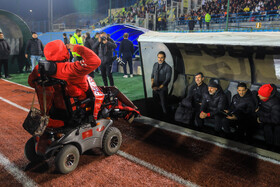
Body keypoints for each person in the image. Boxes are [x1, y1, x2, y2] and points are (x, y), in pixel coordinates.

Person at [28, 40, 101, 124]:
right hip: (76, 108)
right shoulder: (70, 68)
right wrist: (76, 48)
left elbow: (31, 82)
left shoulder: (38, 68)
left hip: (50, 110)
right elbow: (95, 61)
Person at [256, 84, 280, 148]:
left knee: (268, 128)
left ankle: (272, 147)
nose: (258, 95)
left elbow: (276, 120)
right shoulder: (265, 99)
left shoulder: (275, 104)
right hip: (269, 117)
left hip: (276, 121)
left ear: (266, 96)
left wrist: (261, 119)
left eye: (260, 95)